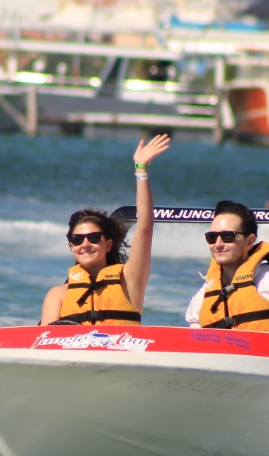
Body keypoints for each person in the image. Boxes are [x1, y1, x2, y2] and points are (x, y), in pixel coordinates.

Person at [40, 134, 172, 326]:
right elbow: (44, 343)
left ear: (108, 244)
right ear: (71, 246)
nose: (85, 244)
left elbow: (145, 226)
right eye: (78, 240)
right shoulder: (57, 295)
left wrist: (141, 169)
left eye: (93, 238)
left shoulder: (129, 281)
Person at [185, 200, 269, 341]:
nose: (218, 244)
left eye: (228, 237)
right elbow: (193, 341)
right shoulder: (204, 294)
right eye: (211, 237)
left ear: (249, 241)